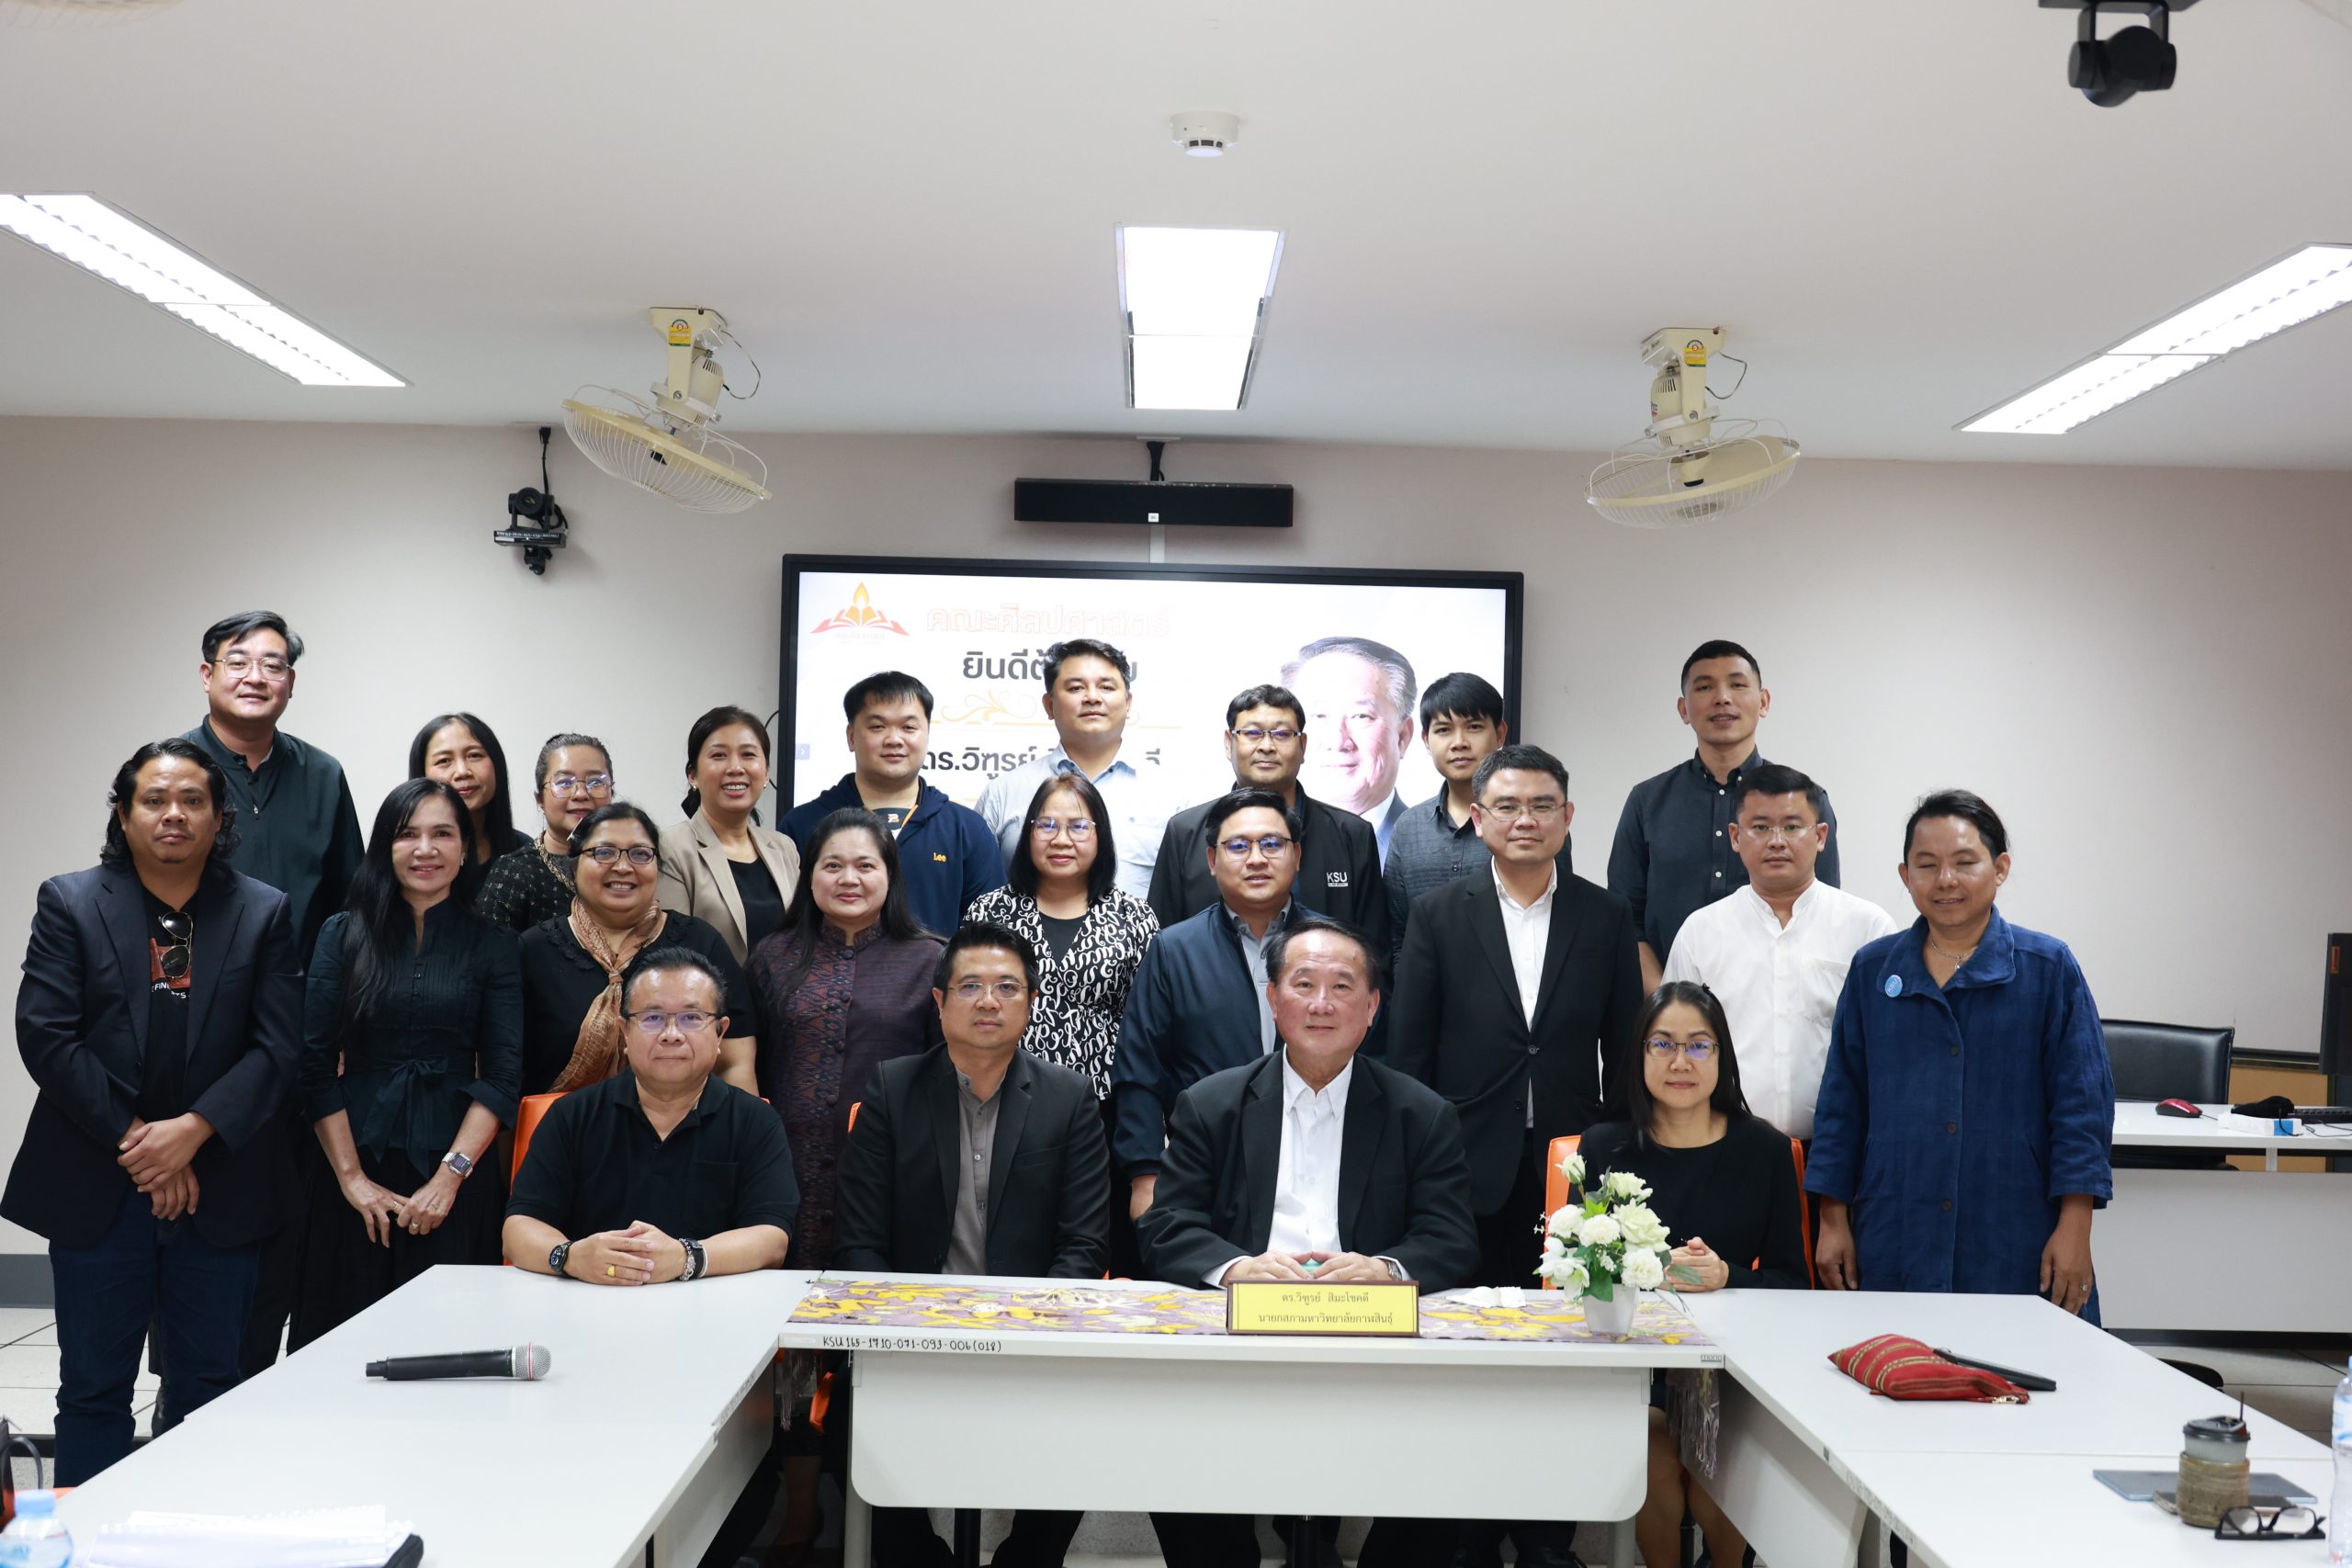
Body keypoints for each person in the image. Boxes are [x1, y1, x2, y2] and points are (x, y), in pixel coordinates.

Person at [1138, 917, 1476, 1568]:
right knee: (1168, 1437)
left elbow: (1450, 1236)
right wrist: (1235, 1267)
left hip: (1375, 1345)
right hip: (1239, 1340)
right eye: (1303, 984)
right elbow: (1166, 1224)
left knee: (1454, 1441)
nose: (1322, 1004)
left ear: (1372, 1007)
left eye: (1342, 986)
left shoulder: (1421, 1113)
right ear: (1273, 998)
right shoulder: (1210, 1104)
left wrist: (1386, 1267)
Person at [5, 739, 300, 1484]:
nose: (174, 813)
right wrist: (142, 1142)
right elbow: (46, 1032)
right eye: (155, 799)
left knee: (208, 1387)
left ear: (219, 817)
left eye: (193, 800)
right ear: (124, 813)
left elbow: (277, 1046)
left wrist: (192, 1133)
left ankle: (193, 1530)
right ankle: (84, 1536)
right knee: (92, 1389)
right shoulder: (70, 901)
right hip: (99, 1182)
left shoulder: (263, 911)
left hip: (220, 1182)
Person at [1388, 744, 1640, 1568]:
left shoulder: (1606, 915)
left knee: (1562, 1362)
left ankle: (1545, 1538)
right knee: (1464, 1358)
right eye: (1507, 805)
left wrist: (1608, 1155)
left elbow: (1624, 1050)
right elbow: (1408, 1055)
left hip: (1573, 1176)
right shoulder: (1438, 913)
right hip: (1463, 1169)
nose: (1525, 819)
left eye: (1542, 805)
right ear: (1479, 817)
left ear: (1568, 816)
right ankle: (1464, 1534)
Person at [502, 946, 797, 1568]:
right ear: (623, 1029)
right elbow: (518, 1228)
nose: (671, 1033)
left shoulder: (754, 1123)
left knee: (738, 1497)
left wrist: (686, 1258)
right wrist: (569, 1255)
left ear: (721, 1032)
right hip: (583, 1355)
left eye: (691, 1017)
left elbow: (772, 1236)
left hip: (714, 1354)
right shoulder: (573, 1115)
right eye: (653, 1017)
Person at [834, 921, 1109, 1568]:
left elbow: (1083, 1242)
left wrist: (1032, 1330)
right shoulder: (892, 1088)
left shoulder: (1068, 1097)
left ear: (1031, 1002)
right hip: (913, 1332)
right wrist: (899, 1332)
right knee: (852, 1413)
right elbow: (860, 1239)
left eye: (1008, 987)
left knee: (1089, 1418)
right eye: (971, 986)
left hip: (1033, 1333)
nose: (989, 1001)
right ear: (939, 1001)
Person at [1807, 791, 2114, 1320]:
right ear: (1906, 876)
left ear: (2000, 869)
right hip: (1896, 1224)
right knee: (1897, 1361)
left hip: (2014, 1225)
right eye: (1927, 865)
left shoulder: (2047, 968)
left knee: (2028, 1362)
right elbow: (1842, 1104)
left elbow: (2082, 1109)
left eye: (1965, 862)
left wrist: (2076, 1226)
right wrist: (1833, 1219)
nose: (1945, 880)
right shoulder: (1874, 970)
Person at [180, 611, 363, 1377]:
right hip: (195, 1037)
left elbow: (353, 910)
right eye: (239, 660)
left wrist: (342, 1025)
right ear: (207, 674)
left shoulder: (322, 775)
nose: (257, 675)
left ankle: (273, 1389)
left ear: (291, 681)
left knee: (290, 1218)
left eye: (275, 663)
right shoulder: (170, 770)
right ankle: (192, 1397)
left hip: (300, 1032)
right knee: (200, 1225)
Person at [1578, 982, 1810, 1568]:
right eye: (1663, 1044)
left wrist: (1727, 1275)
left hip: (1737, 1376)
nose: (1680, 1062)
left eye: (1698, 1045)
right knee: (1653, 1464)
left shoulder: (1765, 1149)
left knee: (1718, 1470)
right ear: (1639, 1054)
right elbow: (1584, 1279)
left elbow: (1794, 1284)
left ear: (1722, 1056)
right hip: (1638, 1374)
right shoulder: (1605, 1147)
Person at [290, 779, 520, 1349]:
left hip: (456, 1170)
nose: (425, 849)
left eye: (443, 834)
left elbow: (502, 1076)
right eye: (407, 834)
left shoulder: (494, 943)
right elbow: (313, 1065)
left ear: (464, 849)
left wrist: (448, 1179)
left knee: (451, 1347)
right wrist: (352, 1181)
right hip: (354, 1163)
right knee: (341, 1349)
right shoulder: (342, 934)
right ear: (384, 847)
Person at [967, 773, 1158, 1276]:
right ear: (1027, 833)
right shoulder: (990, 912)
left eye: (1078, 826)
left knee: (1093, 1239)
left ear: (1101, 836)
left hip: (1105, 1110)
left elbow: (1148, 1030)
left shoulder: (1135, 917)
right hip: (1001, 1101)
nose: (1061, 838)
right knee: (1010, 1237)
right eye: (1046, 824)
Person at [747, 807, 945, 1270]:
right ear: (810, 875)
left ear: (890, 875)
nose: (848, 879)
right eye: (832, 865)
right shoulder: (772, 956)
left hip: (893, 1169)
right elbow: (749, 1063)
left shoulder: (931, 959)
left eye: (865, 865)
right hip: (787, 1166)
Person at [1663, 764, 1900, 1141]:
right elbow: (1672, 1046)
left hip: (1841, 1147)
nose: (1776, 841)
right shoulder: (1700, 932)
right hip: (1728, 1145)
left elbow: (1893, 1048)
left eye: (1792, 827)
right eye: (1760, 827)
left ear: (1820, 836)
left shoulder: (1869, 928)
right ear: (1736, 837)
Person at [1110, 788, 1302, 1226]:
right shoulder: (1173, 950)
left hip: (1315, 1154)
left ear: (1297, 856)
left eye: (1272, 844)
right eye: (1238, 846)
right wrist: (1145, 1175)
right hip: (1205, 1162)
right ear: (1212, 861)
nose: (1256, 859)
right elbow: (1140, 1069)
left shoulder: (1330, 948)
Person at [1609, 639, 1843, 992]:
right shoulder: (1647, 801)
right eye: (1704, 687)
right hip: (1669, 1007)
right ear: (1684, 708)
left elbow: (1822, 911)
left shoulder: (1804, 801)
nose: (1722, 698)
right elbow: (1627, 921)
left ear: (1763, 702)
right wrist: (1668, 1004)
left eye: (1737, 684)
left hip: (1778, 1002)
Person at [518, 802, 756, 1098]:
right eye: (603, 852)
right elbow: (506, 1069)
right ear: (574, 865)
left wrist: (739, 1126)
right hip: (558, 1123)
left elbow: (735, 1063)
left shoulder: (701, 943)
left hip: (687, 1122)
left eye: (640, 854)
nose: (622, 866)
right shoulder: (533, 951)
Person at [1148, 683, 1387, 951]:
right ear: (1229, 743)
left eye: (1282, 734)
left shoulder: (1352, 834)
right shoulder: (1186, 832)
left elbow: (1375, 950)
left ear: (1302, 746)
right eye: (1252, 733)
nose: (1267, 746)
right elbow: (1160, 943)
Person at [779, 671, 1005, 937]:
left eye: (908, 728)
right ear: (851, 737)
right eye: (878, 727)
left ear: (927, 735)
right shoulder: (802, 824)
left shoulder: (966, 829)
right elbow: (787, 927)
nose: (894, 740)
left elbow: (991, 935)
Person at [1383, 671, 1569, 961]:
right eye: (1444, 730)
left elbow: (1559, 919)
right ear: (1426, 740)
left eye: (1473, 727)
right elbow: (1396, 938)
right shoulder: (1408, 828)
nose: (1459, 742)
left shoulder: (1532, 825)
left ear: (1500, 734)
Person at [976, 638, 1170, 899]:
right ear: (1049, 705)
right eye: (1076, 687)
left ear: (1128, 702)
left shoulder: (1171, 797)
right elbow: (978, 895)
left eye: (1106, 687)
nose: (1092, 698)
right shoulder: (1002, 793)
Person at [657, 705, 804, 964]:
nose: (735, 767)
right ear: (693, 775)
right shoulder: (670, 848)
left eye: (748, 755)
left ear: (766, 773)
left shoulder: (784, 848)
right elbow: (674, 955)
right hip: (710, 990)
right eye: (719, 756)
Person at [1282, 636, 1419, 863]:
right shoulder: (1255, 846)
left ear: (1403, 736)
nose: (1338, 741)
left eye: (1361, 716)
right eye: (1319, 716)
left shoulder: (1436, 851)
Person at [475, 732, 615, 933]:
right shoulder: (514, 872)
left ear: (611, 792)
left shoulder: (631, 863)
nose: (581, 794)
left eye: (595, 782)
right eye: (564, 783)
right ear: (539, 798)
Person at [409, 713, 530, 907]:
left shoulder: (524, 852)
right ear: (422, 774)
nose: (462, 771)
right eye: (444, 760)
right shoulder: (407, 855)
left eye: (474, 755)